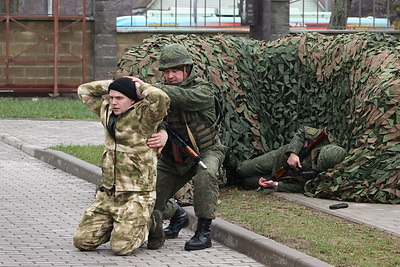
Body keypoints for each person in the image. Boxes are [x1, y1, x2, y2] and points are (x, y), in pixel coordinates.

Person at [73, 77, 170, 255]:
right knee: (82, 241)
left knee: (121, 248)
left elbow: (161, 99)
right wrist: (114, 84)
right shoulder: (106, 110)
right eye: (111, 97)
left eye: (120, 98)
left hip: (136, 193)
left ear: (133, 99)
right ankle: (121, 225)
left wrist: (139, 87)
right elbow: (83, 90)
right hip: (109, 192)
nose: (114, 102)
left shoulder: (145, 116)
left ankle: (149, 222)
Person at [145, 43, 227, 251]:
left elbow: (184, 98)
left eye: (175, 70)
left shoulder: (203, 90)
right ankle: (178, 216)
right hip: (175, 157)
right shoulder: (158, 93)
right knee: (150, 196)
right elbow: (154, 117)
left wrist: (152, 89)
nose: (170, 75)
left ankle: (204, 232)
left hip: (207, 150)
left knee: (205, 175)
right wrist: (162, 131)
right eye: (166, 71)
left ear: (187, 70)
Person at [236, 126, 347, 193]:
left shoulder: (328, 175)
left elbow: (301, 187)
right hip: (279, 158)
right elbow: (303, 131)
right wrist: (293, 154)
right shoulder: (324, 138)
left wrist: (275, 185)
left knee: (247, 183)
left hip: (282, 177)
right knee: (241, 170)